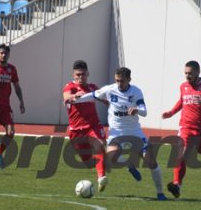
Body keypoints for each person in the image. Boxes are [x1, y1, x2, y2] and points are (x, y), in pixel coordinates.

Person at [73, 67, 167, 200]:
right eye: (117, 80)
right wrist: (76, 99)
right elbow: (93, 95)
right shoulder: (110, 89)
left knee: (151, 162)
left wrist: (137, 110)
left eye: (122, 81)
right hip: (116, 133)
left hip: (135, 132)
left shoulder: (136, 91)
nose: (119, 83)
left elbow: (144, 110)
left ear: (129, 80)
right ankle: (129, 164)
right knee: (111, 158)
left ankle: (160, 193)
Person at [161, 60, 201, 198]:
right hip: (186, 127)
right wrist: (171, 113)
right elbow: (181, 101)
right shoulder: (183, 86)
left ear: (198, 72)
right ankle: (176, 185)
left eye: (190, 73)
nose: (187, 76)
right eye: (185, 73)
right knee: (181, 155)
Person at [62, 60, 108, 191]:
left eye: (83, 74)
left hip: (93, 126)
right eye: (78, 75)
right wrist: (74, 96)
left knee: (99, 145)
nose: (80, 77)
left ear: (88, 74)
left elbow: (106, 100)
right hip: (76, 131)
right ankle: (103, 161)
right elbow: (66, 97)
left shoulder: (93, 88)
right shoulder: (70, 87)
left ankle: (101, 177)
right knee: (88, 163)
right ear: (73, 75)